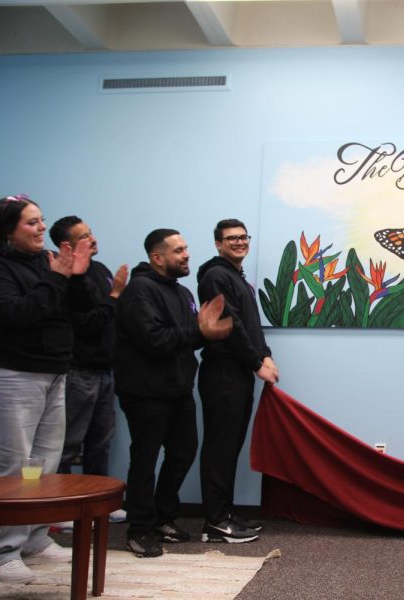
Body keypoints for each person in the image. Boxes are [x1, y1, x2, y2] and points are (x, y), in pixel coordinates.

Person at [0, 194, 92, 583]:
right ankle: (2, 552)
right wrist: (58, 276)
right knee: (10, 467)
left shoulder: (44, 262)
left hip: (52, 372)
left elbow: (73, 313)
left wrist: (76, 274)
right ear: (9, 230)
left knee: (42, 463)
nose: (42, 228)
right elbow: (20, 315)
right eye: (32, 223)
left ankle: (34, 539)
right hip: (7, 375)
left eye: (42, 220)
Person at [114, 228, 231, 557]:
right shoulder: (140, 290)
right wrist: (199, 330)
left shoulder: (181, 293)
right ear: (157, 257)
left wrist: (204, 332)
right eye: (178, 250)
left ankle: (163, 518)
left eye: (186, 248)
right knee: (145, 459)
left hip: (178, 389)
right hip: (145, 392)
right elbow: (154, 340)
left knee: (183, 453)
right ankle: (139, 529)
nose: (186, 255)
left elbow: (188, 336)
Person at [196, 219, 279, 543]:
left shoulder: (235, 277)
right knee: (219, 447)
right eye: (231, 239)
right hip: (222, 374)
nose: (240, 242)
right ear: (218, 244)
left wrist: (265, 354)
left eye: (244, 237)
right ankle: (215, 521)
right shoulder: (216, 276)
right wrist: (257, 362)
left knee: (229, 447)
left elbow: (251, 325)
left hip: (238, 372)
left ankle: (225, 512)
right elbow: (230, 325)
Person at [48, 216, 128, 524]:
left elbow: (109, 320)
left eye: (91, 232)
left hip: (105, 370)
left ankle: (97, 505)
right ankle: (61, 508)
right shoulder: (64, 275)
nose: (92, 239)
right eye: (84, 237)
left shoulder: (102, 270)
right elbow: (86, 323)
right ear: (67, 246)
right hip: (78, 370)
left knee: (100, 442)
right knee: (67, 444)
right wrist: (115, 295)